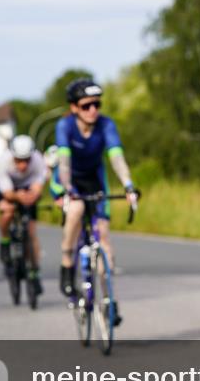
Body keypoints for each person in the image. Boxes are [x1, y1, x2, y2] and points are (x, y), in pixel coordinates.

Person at [55, 79, 139, 323]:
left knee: (104, 237)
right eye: (86, 105)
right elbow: (64, 163)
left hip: (95, 179)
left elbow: (117, 158)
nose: (93, 110)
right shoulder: (65, 126)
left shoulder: (106, 125)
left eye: (97, 104)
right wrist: (68, 189)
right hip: (72, 179)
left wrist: (128, 185)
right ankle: (67, 263)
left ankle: (109, 300)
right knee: (76, 210)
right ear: (74, 108)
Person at [0, 135, 48, 295]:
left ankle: (35, 271)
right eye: (18, 160)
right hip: (7, 189)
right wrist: (18, 197)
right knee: (7, 211)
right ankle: (4, 241)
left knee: (31, 232)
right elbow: (7, 192)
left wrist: (32, 195)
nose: (23, 165)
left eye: (26, 160)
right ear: (12, 156)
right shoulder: (3, 161)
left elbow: (38, 186)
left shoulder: (38, 160)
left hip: (28, 188)